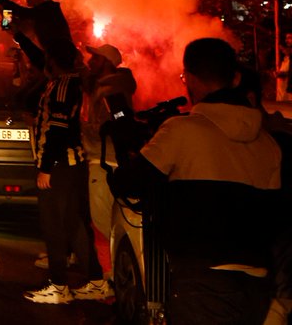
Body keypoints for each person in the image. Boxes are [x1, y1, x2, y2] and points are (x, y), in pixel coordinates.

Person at [113, 37, 282, 325]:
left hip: (203, 280)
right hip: (258, 284)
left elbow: (128, 183)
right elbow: (277, 220)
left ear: (189, 78)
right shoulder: (269, 144)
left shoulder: (182, 131)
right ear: (236, 77)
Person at [14, 26, 108, 304]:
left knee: (54, 224)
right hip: (70, 163)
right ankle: (96, 280)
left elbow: (59, 128)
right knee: (74, 223)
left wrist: (46, 166)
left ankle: (58, 285)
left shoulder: (64, 85)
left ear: (53, 61)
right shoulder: (73, 82)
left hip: (60, 166)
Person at [82, 42, 137, 241]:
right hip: (109, 158)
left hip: (106, 159)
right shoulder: (108, 85)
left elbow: (118, 117)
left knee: (101, 218)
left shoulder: (110, 89)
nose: (90, 61)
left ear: (106, 62)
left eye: (95, 58)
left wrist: (85, 129)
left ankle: (120, 265)